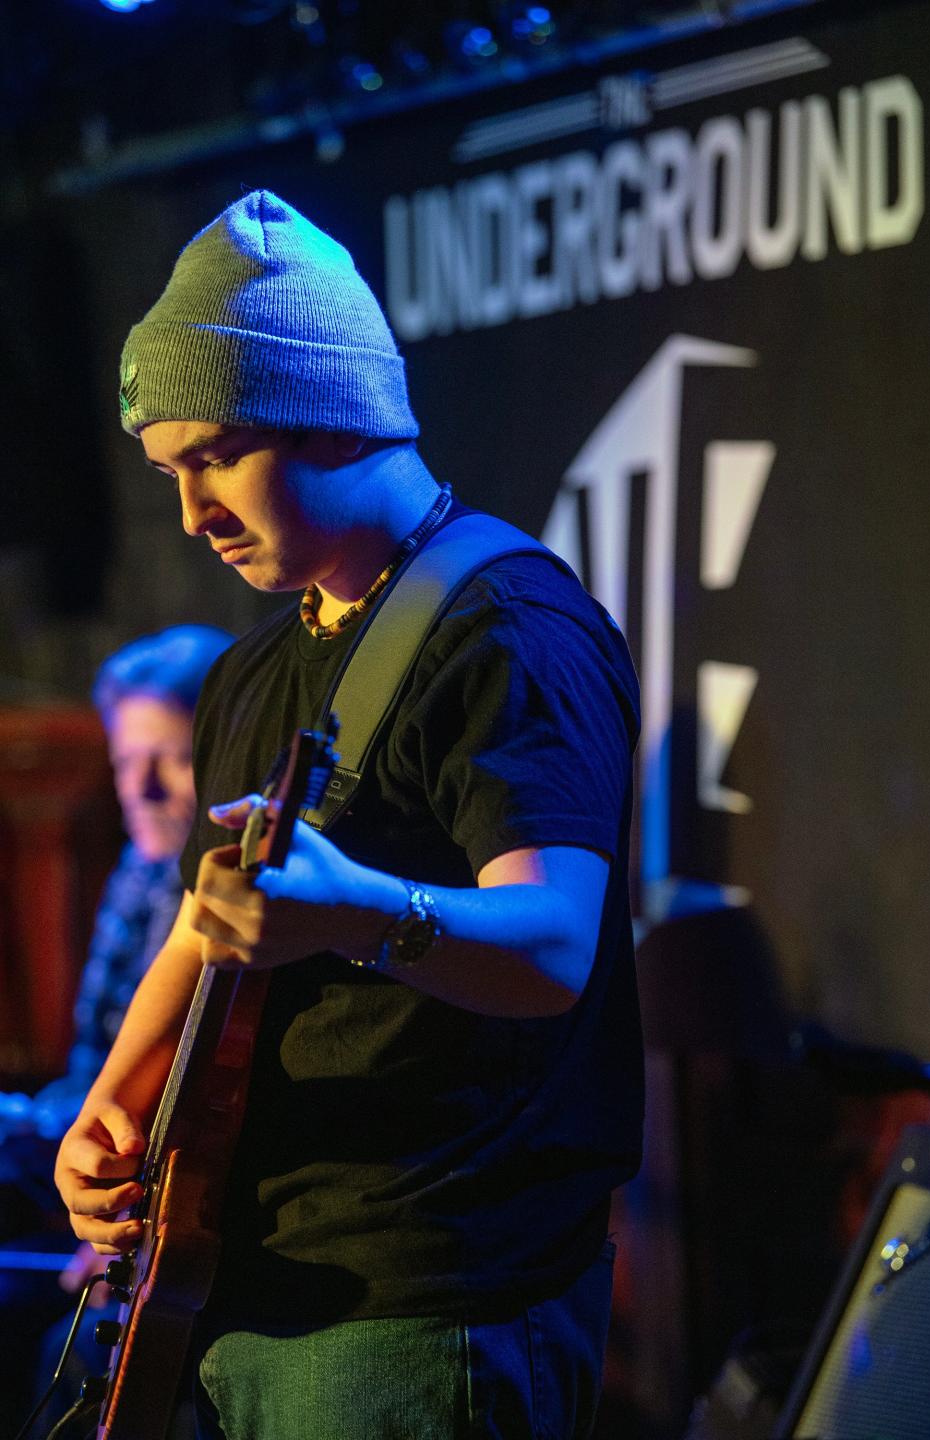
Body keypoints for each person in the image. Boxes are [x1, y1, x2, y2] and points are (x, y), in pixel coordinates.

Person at [53, 190, 643, 1440]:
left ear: (328, 412)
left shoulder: (506, 631)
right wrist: (113, 1103)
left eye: (214, 457)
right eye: (168, 475)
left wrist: (357, 915)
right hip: (232, 1278)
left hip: (424, 1300)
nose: (191, 514)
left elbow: (553, 947)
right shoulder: (252, 671)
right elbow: (215, 919)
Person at [0, 624, 231, 1432]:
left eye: (170, 759)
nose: (144, 787)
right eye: (127, 762)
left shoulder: (233, 902)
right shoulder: (138, 877)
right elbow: (95, 1069)